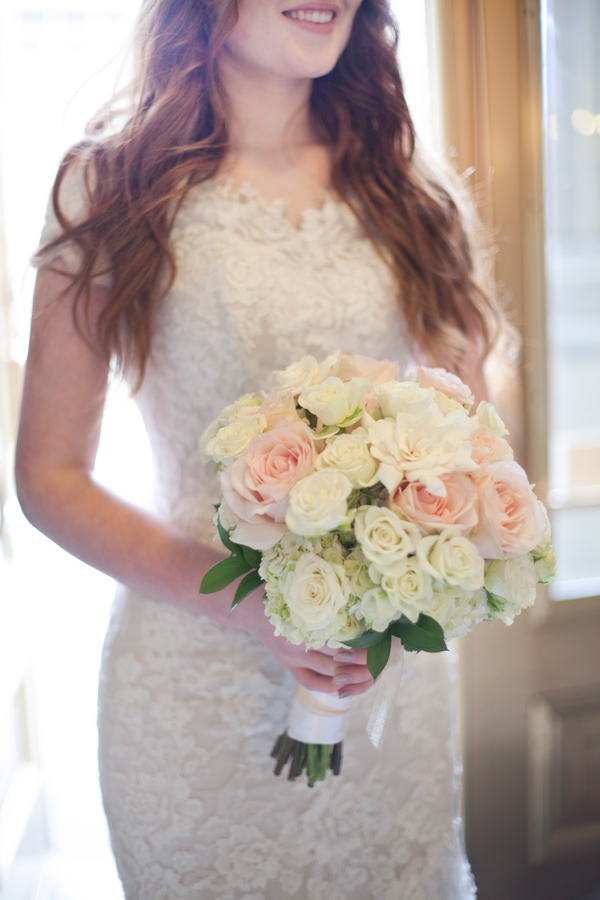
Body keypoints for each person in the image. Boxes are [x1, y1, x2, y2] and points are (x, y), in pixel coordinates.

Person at [16, 0, 498, 896]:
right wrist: (250, 606)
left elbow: (467, 438)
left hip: (380, 689)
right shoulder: (111, 185)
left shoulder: (412, 191)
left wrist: (417, 549)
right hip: (192, 687)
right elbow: (48, 478)